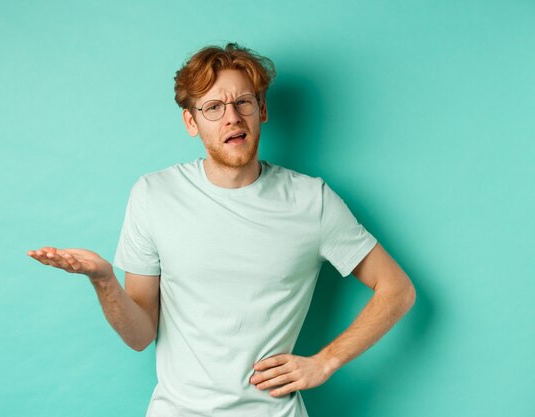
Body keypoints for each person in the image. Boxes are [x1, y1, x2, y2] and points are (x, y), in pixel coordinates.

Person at [27, 42, 416, 417]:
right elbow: (140, 335)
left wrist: (325, 362)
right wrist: (104, 280)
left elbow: (397, 290)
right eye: (213, 107)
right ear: (191, 121)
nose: (232, 117)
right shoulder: (153, 195)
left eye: (242, 102)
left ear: (261, 109)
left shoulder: (311, 201)